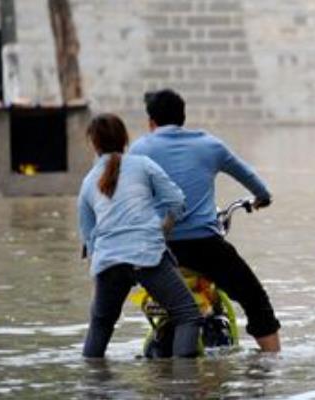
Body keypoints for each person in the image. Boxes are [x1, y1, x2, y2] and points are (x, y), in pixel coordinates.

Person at [129, 89, 281, 352]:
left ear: (151, 122)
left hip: (159, 248)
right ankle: (271, 363)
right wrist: (261, 198)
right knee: (255, 300)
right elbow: (254, 182)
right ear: (183, 117)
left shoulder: (140, 149)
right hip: (205, 246)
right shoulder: (210, 145)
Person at [78, 112, 202, 358]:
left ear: (94, 144)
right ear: (125, 139)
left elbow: (89, 238)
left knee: (101, 325)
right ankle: (185, 385)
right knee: (187, 314)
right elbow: (176, 201)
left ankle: (93, 388)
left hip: (108, 262)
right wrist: (164, 228)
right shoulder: (143, 164)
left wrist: (99, 274)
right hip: (146, 254)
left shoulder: (88, 182)